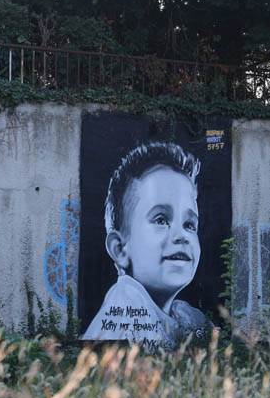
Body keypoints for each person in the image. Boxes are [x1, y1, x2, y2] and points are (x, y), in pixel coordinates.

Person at [83, 142, 211, 348]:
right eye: (161, 219)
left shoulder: (181, 315)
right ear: (120, 249)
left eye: (189, 224)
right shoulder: (125, 313)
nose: (182, 236)